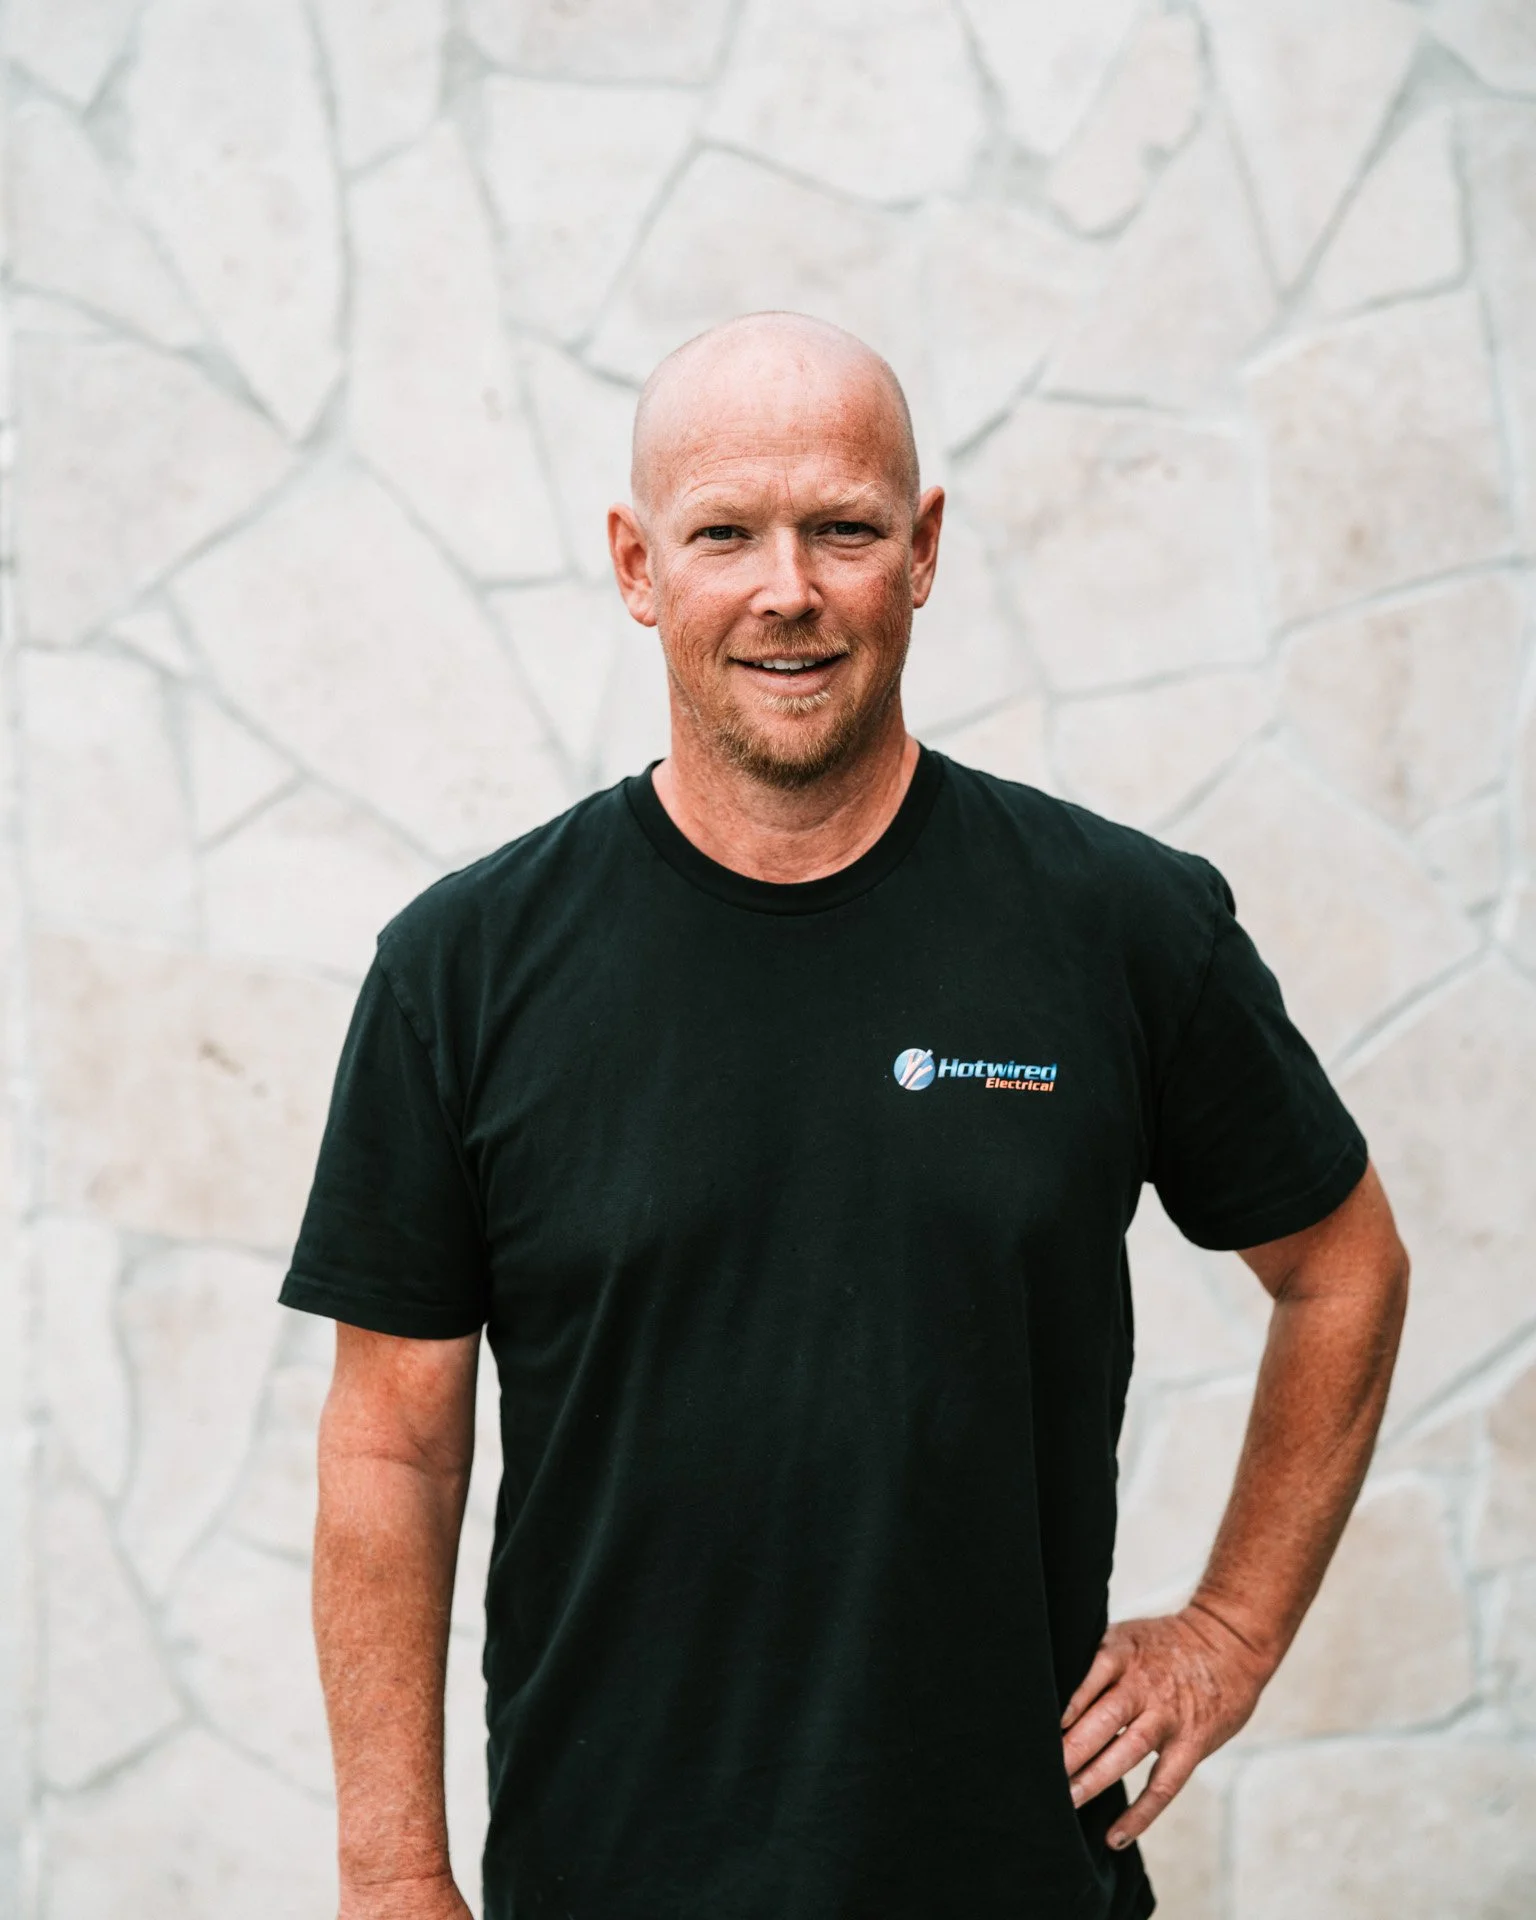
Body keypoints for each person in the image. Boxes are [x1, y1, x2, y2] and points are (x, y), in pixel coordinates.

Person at [282, 311, 1409, 1920]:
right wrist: (391, 1868)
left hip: (1010, 1881)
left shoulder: (1122, 928)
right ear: (634, 563)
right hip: (603, 1884)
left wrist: (1229, 1631)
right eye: (725, 532)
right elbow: (391, 1442)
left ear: (925, 548)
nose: (787, 588)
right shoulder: (462, 970)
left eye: (844, 529)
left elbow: (1345, 1269)